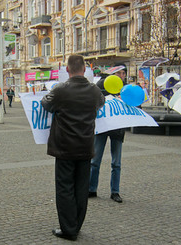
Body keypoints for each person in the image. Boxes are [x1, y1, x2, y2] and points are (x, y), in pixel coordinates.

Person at [41, 55, 105, 241]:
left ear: (67, 70)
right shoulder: (94, 90)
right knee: (81, 188)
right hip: (86, 146)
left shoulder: (61, 89)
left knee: (64, 188)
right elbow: (101, 103)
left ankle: (68, 229)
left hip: (65, 147)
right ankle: (76, 224)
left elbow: (46, 104)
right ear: (84, 70)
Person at [89, 65, 127, 203]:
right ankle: (91, 189)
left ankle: (115, 192)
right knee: (95, 161)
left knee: (116, 163)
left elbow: (133, 105)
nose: (121, 76)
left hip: (118, 129)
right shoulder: (101, 84)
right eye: (119, 73)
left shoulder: (125, 88)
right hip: (102, 126)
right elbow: (94, 100)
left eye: (123, 73)